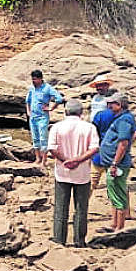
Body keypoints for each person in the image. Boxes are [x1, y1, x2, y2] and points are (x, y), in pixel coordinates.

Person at [47, 100, 100, 247]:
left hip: (62, 172)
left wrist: (66, 160)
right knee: (81, 208)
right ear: (81, 113)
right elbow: (94, 148)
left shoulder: (57, 127)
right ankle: (79, 240)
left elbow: (52, 148)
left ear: (65, 112)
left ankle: (59, 239)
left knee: (60, 209)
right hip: (82, 173)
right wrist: (77, 160)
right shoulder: (89, 127)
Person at [95, 93, 136, 231]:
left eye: (111, 104)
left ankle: (119, 226)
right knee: (113, 193)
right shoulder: (121, 118)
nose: (108, 106)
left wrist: (114, 163)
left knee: (118, 194)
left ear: (119, 105)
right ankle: (114, 224)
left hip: (117, 164)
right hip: (111, 163)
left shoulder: (124, 120)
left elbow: (123, 143)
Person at [25, 70, 64, 167]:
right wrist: (28, 111)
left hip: (42, 117)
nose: (33, 81)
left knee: (43, 138)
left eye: (35, 79)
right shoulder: (32, 89)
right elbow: (28, 100)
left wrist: (51, 108)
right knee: (35, 137)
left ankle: (44, 160)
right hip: (33, 117)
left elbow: (59, 98)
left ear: (40, 78)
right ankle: (37, 158)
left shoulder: (47, 88)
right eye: (32, 79)